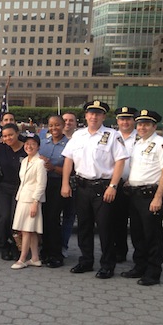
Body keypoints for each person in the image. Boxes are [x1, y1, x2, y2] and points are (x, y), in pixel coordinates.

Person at [61, 100, 129, 279]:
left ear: (103, 116)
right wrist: (65, 183)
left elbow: (120, 161)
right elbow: (68, 159)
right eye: (91, 113)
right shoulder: (78, 135)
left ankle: (108, 264)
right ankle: (86, 261)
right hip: (82, 187)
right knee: (84, 227)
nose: (94, 116)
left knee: (106, 228)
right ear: (86, 116)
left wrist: (113, 186)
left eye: (98, 113)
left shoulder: (113, 135)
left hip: (103, 188)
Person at [122, 110, 163, 286]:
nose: (142, 127)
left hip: (151, 195)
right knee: (137, 234)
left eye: (146, 124)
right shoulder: (139, 144)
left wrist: (158, 198)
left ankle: (153, 272)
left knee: (152, 235)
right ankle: (140, 266)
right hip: (135, 195)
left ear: (154, 126)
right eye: (139, 124)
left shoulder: (162, 144)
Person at [11, 133, 47, 269]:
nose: (29, 146)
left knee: (27, 230)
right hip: (22, 197)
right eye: (26, 144)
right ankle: (35, 258)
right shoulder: (25, 160)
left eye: (32, 144)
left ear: (38, 146)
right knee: (29, 230)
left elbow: (41, 184)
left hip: (32, 200)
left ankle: (22, 259)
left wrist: (35, 202)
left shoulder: (40, 162)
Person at [0, 123, 27, 260]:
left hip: (21, 189)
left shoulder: (26, 148)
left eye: (11, 135)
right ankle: (4, 246)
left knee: (16, 218)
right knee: (4, 217)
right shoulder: (0, 148)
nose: (8, 138)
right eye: (5, 136)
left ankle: (16, 246)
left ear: (17, 134)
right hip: (3, 188)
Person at [39, 115, 69, 268]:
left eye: (57, 125)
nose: (54, 128)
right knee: (43, 218)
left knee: (53, 219)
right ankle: (44, 250)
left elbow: (73, 170)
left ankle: (56, 254)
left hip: (59, 184)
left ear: (63, 125)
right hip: (43, 184)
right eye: (51, 125)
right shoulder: (43, 143)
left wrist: (54, 168)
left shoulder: (69, 145)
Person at [112, 106, 138, 263]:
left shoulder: (141, 138)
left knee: (137, 224)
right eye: (122, 119)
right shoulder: (111, 137)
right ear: (117, 121)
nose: (125, 122)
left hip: (135, 185)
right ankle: (119, 251)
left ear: (133, 120)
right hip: (117, 185)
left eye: (128, 119)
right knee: (117, 221)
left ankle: (140, 256)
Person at [61, 111, 78, 257]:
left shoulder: (80, 139)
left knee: (69, 216)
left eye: (71, 120)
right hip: (52, 183)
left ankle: (63, 246)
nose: (67, 123)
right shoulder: (45, 138)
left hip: (73, 184)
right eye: (65, 120)